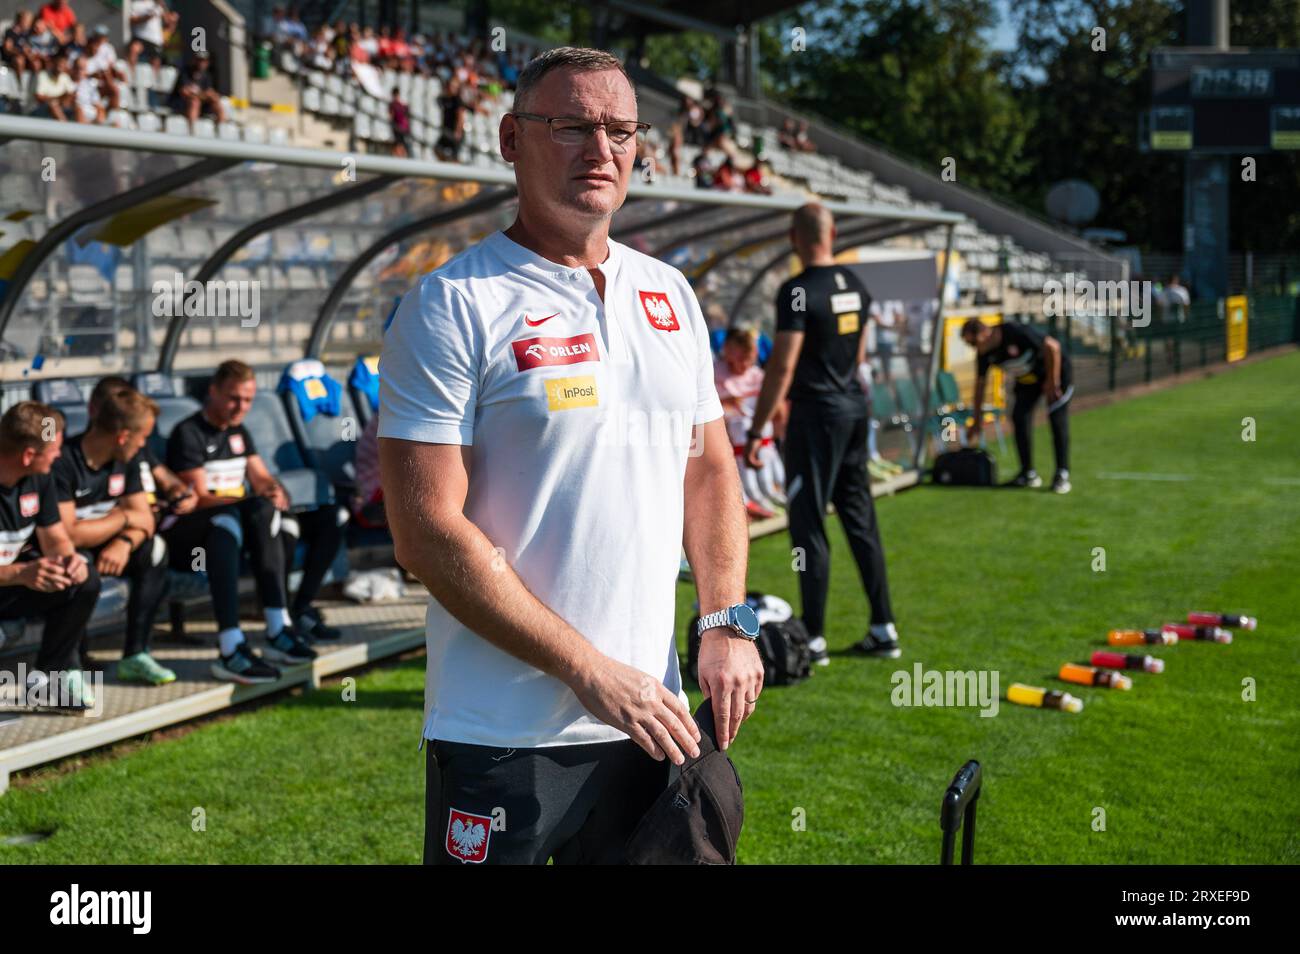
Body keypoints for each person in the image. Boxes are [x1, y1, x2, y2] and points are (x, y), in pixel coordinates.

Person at [379, 46, 763, 866]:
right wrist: (590, 671)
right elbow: (425, 533)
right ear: (512, 139)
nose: (601, 149)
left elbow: (709, 468)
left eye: (620, 129)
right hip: (502, 732)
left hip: (652, 722)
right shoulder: (451, 304)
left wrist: (727, 618)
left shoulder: (671, 293)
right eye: (573, 125)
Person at [744, 202, 900, 663]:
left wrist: (757, 430)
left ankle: (813, 635)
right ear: (833, 233)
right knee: (860, 518)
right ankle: (883, 626)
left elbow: (784, 363)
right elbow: (860, 354)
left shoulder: (797, 290)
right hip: (853, 407)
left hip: (817, 417)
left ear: (795, 236)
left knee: (808, 524)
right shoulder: (856, 284)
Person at [164, 360, 317, 684]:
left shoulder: (238, 431)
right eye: (234, 398)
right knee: (229, 520)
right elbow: (198, 498)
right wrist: (250, 504)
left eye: (248, 400)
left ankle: (279, 626)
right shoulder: (188, 433)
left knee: (282, 521)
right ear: (213, 392)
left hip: (238, 518)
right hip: (195, 532)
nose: (241, 407)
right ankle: (231, 646)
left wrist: (273, 492)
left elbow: (261, 477)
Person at [53, 386, 174, 686]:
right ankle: (68, 668)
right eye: (143, 437)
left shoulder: (127, 459)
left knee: (154, 549)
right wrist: (120, 517)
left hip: (109, 545)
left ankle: (135, 655)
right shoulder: (63, 462)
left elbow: (145, 517)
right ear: (123, 436)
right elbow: (69, 534)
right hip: (69, 551)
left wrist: (124, 542)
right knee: (76, 565)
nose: (144, 444)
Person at [0, 402, 100, 708]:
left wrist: (69, 559)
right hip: (11, 579)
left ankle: (49, 681)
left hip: (10, 585)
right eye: (54, 449)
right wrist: (20, 573)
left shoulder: (39, 478)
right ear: (29, 455)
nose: (60, 455)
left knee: (84, 580)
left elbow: (55, 535)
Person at [961, 317, 1072, 494]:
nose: (974, 348)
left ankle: (1062, 473)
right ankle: (1027, 474)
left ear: (984, 333)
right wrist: (976, 422)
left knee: (1057, 419)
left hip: (1054, 373)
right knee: (1019, 417)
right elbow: (979, 387)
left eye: (973, 342)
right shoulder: (984, 354)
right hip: (1029, 381)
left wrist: (1053, 381)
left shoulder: (1014, 331)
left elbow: (1053, 347)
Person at [715, 327, 786, 519]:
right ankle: (750, 497)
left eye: (750, 359)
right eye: (741, 359)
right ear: (728, 351)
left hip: (760, 440)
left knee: (759, 427)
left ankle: (771, 490)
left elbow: (777, 410)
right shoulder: (716, 373)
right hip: (731, 439)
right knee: (741, 426)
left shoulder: (756, 375)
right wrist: (728, 402)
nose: (745, 364)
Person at [169, 52, 225, 127]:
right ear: (194, 60)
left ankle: (221, 128)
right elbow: (184, 92)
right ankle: (192, 131)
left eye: (205, 61)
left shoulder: (207, 76)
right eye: (200, 60)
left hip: (200, 103)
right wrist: (202, 95)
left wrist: (204, 95)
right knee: (194, 102)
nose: (202, 63)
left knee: (216, 103)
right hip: (180, 102)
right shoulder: (185, 72)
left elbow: (210, 93)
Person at [127, 0, 177, 70]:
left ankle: (154, 80)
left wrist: (165, 7)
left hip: (155, 40)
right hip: (140, 37)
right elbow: (132, 20)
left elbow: (168, 21)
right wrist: (146, 17)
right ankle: (130, 75)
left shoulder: (157, 5)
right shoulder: (135, 4)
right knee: (133, 49)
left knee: (156, 61)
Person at [33, 50, 76, 120]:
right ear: (53, 62)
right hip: (41, 110)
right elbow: (39, 97)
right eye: (59, 62)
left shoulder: (65, 77)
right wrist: (57, 100)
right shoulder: (42, 75)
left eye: (63, 62)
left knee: (78, 108)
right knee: (53, 105)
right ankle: (66, 129)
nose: (61, 65)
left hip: (61, 108)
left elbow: (71, 94)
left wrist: (63, 100)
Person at [389, 86, 410, 158]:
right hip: (400, 128)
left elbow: (391, 116)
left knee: (400, 145)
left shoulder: (397, 105)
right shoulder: (398, 104)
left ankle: (400, 157)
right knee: (399, 144)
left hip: (400, 128)